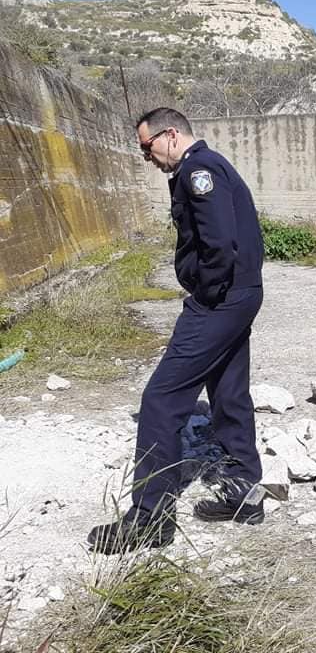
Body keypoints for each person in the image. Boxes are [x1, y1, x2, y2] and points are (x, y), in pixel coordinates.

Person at [88, 107, 265, 554]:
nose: (145, 156)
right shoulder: (208, 165)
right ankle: (243, 493)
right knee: (227, 391)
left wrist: (207, 292)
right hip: (239, 295)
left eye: (146, 147)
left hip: (220, 299)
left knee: (161, 400)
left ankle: (149, 518)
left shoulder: (198, 170)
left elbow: (219, 242)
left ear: (170, 135)